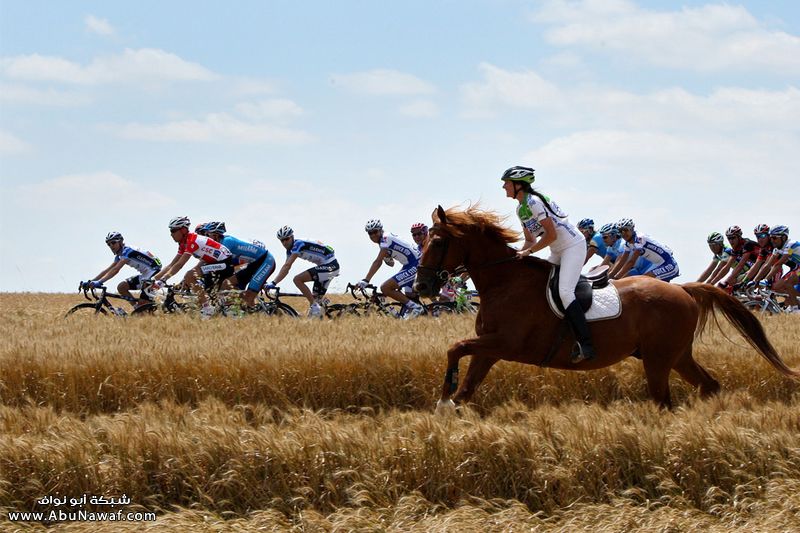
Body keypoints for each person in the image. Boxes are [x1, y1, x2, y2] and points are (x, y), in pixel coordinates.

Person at [501, 165, 594, 363]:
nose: (504, 187)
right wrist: (517, 254)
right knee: (539, 285)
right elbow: (530, 241)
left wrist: (529, 252)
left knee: (565, 292)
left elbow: (550, 235)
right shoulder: (521, 208)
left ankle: (586, 344)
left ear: (518, 185)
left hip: (573, 246)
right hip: (557, 250)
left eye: (506, 183)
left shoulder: (534, 202)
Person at [151, 216, 234, 317]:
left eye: (173, 231)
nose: (171, 234)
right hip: (213, 264)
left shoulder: (192, 241)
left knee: (189, 276)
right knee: (188, 281)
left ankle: (208, 309)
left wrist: (162, 281)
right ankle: (210, 306)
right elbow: (172, 264)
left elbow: (180, 264)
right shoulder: (183, 243)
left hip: (224, 263)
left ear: (183, 230)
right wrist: (153, 279)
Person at [357, 219, 425, 319]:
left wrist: (366, 280)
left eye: (375, 231)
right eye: (370, 233)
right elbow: (391, 264)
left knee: (385, 287)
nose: (373, 235)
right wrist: (387, 256)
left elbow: (377, 262)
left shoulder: (385, 238)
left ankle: (416, 308)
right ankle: (426, 312)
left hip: (415, 263)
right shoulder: (384, 241)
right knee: (408, 293)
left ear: (380, 230)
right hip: (409, 264)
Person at [268, 225, 340, 318]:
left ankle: (315, 306)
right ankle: (327, 315)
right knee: (316, 302)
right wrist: (274, 282)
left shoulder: (298, 244)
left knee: (297, 279)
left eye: (287, 239)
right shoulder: (290, 251)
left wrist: (274, 282)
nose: (284, 242)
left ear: (292, 237)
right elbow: (286, 269)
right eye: (282, 240)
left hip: (331, 266)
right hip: (326, 267)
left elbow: (287, 266)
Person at [204, 222, 276, 310]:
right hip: (251, 265)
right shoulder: (221, 243)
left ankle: (251, 314)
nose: (206, 238)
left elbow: (218, 265)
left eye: (207, 235)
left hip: (266, 261)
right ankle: (239, 311)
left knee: (248, 297)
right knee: (226, 284)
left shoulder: (227, 242)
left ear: (215, 235)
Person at [80, 232, 162, 309]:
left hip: (154, 272)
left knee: (143, 306)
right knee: (122, 287)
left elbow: (116, 270)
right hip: (146, 274)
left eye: (113, 243)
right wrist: (92, 281)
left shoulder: (127, 251)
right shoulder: (120, 255)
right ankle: (137, 308)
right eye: (109, 244)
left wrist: (100, 282)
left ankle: (143, 311)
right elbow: (108, 270)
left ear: (120, 242)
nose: (111, 246)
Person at [614, 218, 679, 282]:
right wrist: (610, 277)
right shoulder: (628, 243)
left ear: (632, 229)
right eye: (620, 231)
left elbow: (631, 262)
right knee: (640, 281)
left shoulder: (639, 239)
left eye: (625, 230)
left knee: (642, 282)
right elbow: (622, 261)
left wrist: (616, 278)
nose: (623, 233)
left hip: (668, 263)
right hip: (657, 264)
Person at [762, 226, 800, 311]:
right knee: (777, 286)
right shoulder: (777, 249)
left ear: (784, 237)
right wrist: (757, 280)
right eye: (770, 238)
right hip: (798, 267)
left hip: (798, 268)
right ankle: (794, 303)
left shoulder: (790, 245)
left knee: (787, 283)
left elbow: (778, 264)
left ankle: (796, 309)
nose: (772, 241)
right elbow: (768, 265)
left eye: (774, 238)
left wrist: (765, 279)